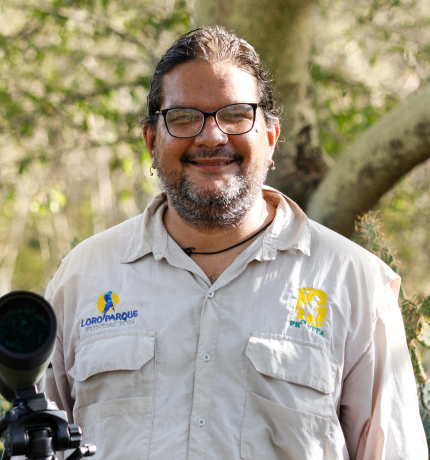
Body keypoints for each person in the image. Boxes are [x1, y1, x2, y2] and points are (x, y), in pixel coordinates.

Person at [45, 26, 427, 460]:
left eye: (235, 114)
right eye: (184, 116)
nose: (211, 137)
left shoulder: (354, 282)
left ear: (270, 137)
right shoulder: (83, 277)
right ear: (152, 141)